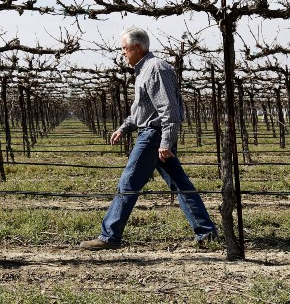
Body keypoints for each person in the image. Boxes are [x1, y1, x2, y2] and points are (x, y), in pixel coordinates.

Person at [80, 27, 218, 250]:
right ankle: (206, 232)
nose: (122, 53)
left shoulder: (155, 69)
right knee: (180, 184)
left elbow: (169, 110)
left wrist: (165, 143)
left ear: (137, 47)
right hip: (153, 133)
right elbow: (142, 110)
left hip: (153, 136)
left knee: (129, 182)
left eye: (125, 48)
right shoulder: (143, 70)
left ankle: (110, 236)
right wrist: (124, 128)